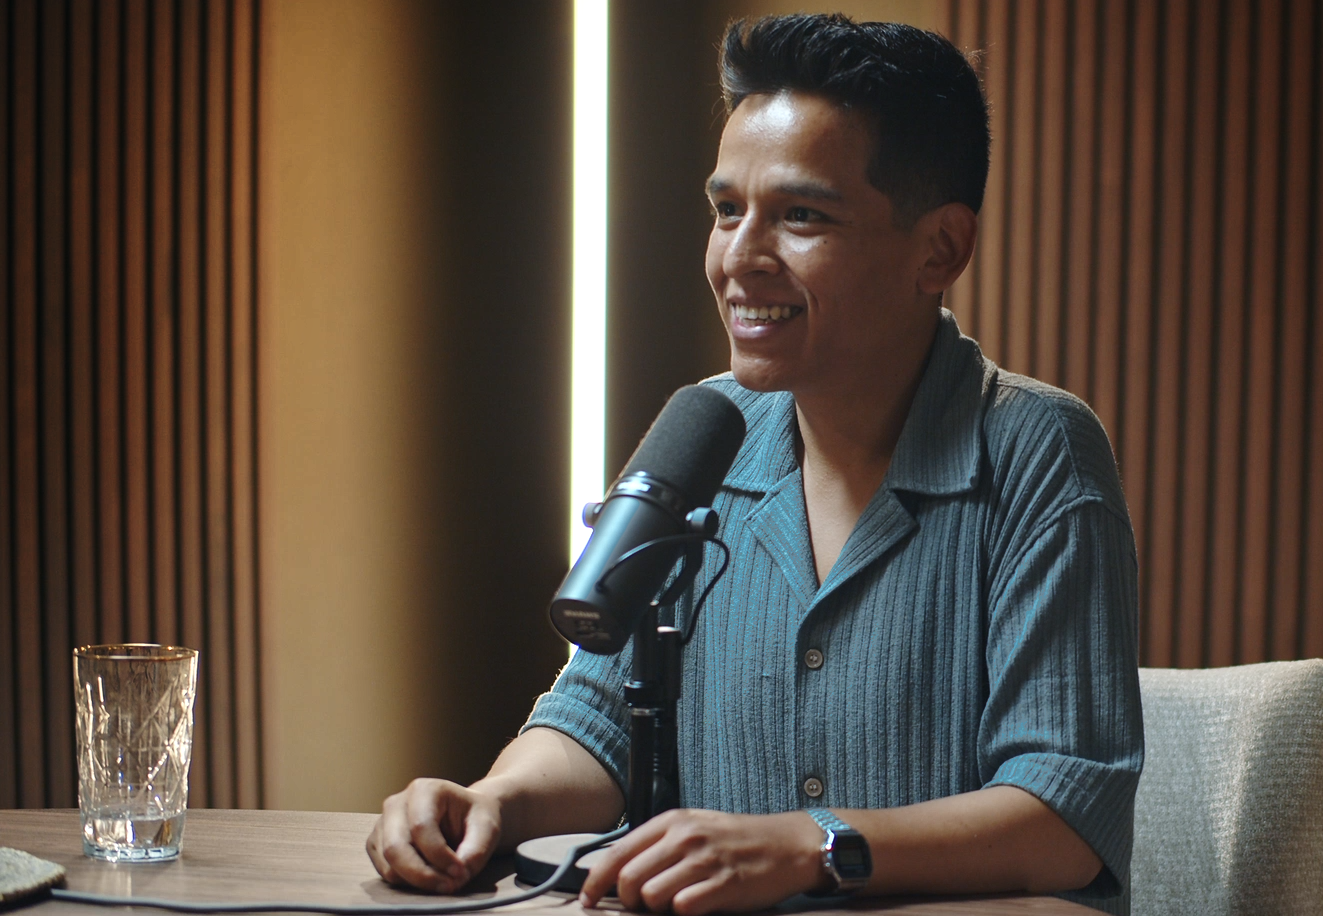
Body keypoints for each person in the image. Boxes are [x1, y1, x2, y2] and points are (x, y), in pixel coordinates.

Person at [366, 14, 1142, 916]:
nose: (739, 258)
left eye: (801, 215)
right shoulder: (710, 434)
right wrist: (494, 803)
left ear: (942, 249)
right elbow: (600, 718)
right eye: (728, 209)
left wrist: (807, 846)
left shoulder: (1039, 453)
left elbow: (1062, 820)